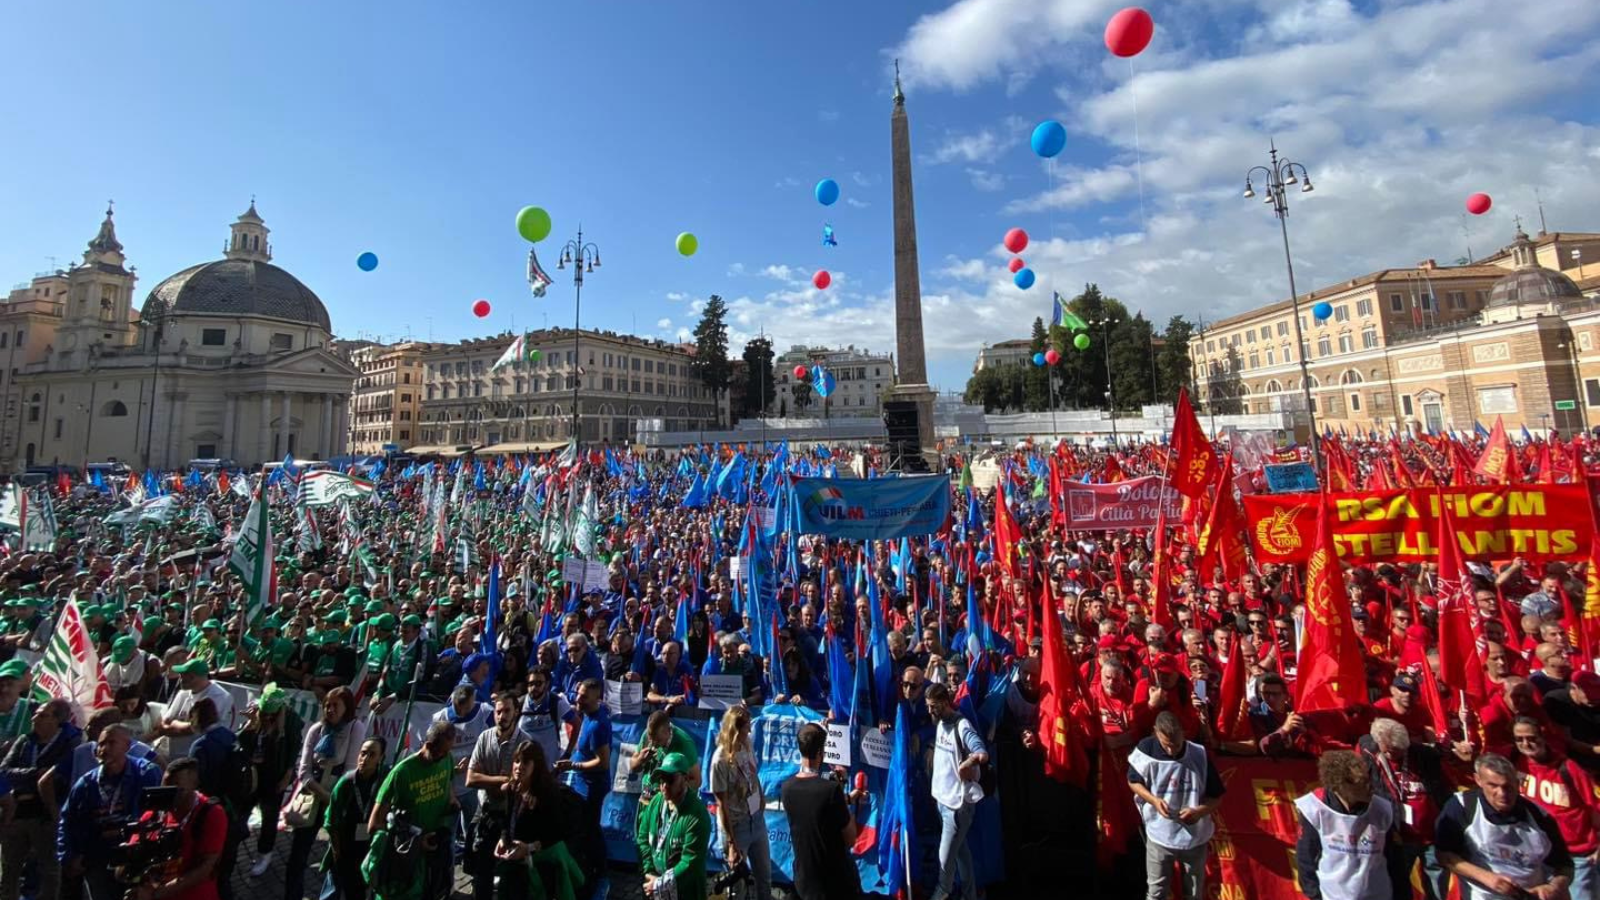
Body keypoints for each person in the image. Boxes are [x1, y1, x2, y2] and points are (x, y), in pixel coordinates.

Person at [1436, 752, 1574, 900]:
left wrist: (1554, 887)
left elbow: (1565, 866)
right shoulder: (1462, 807)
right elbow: (1445, 856)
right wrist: (1488, 878)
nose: (1502, 793)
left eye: (1508, 786)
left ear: (1518, 783)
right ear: (1478, 780)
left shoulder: (1538, 816)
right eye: (1493, 786)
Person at [57, 723, 164, 900]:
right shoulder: (87, 783)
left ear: (127, 746)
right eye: (101, 744)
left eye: (111, 743)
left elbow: (156, 813)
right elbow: (67, 820)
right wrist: (69, 855)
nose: (104, 749)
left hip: (135, 853)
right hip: (98, 854)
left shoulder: (146, 773)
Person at [1127, 710, 1226, 900]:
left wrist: (1199, 811)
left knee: (1194, 893)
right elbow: (1133, 781)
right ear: (1156, 733)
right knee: (1156, 892)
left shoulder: (1198, 754)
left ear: (1183, 733)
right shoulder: (1146, 750)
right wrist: (1154, 800)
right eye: (1167, 745)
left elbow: (1217, 797)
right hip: (1159, 835)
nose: (1172, 751)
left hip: (1194, 838)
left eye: (1177, 745)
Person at [284, 687, 364, 900]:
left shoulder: (355, 728)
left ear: (346, 707)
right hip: (314, 796)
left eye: (335, 705)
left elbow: (350, 770)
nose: (330, 709)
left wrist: (334, 801)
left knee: (338, 855)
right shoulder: (316, 730)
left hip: (339, 798)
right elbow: (304, 770)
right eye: (327, 705)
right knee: (297, 856)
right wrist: (323, 795)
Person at [1294, 749, 1406, 900]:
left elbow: (1396, 862)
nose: (1369, 787)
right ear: (1339, 786)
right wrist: (1315, 896)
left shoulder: (1382, 809)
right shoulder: (1315, 809)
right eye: (1362, 784)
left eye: (1368, 780)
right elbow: (1305, 860)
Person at [367, 721, 458, 900]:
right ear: (428, 746)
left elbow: (448, 787)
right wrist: (413, 843)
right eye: (441, 752)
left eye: (448, 751)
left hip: (433, 854)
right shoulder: (402, 772)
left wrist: (452, 802)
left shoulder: (447, 759)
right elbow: (375, 824)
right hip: (406, 860)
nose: (446, 756)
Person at [1511, 717, 1600, 899]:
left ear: (1543, 736)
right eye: (1519, 739)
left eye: (1531, 738)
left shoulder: (1568, 768)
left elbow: (1596, 805)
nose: (1526, 744)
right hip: (1536, 856)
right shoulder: (1515, 764)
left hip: (1576, 855)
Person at [0, 698, 78, 900]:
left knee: (49, 870)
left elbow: (59, 778)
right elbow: (5, 772)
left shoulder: (70, 743)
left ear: (58, 720)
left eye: (43, 715)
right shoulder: (25, 741)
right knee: (10, 869)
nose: (34, 718)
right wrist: (36, 774)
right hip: (18, 811)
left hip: (46, 813)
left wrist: (31, 778)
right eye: (35, 714)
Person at [781, 722, 866, 900]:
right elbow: (850, 839)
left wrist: (845, 797)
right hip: (833, 884)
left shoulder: (787, 788)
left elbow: (815, 809)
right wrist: (847, 802)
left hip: (804, 881)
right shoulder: (831, 790)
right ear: (821, 752)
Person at [126, 757, 230, 900]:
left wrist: (156, 894)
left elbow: (206, 868)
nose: (168, 794)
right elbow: (130, 858)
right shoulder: (154, 814)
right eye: (165, 786)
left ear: (194, 786)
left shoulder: (211, 814)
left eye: (176, 788)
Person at [494, 741, 587, 900]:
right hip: (515, 861)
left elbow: (556, 833)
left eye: (525, 762)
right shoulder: (512, 788)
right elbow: (507, 819)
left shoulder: (546, 794)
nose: (519, 767)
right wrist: (504, 839)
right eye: (517, 761)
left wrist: (528, 848)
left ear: (536, 765)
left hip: (540, 865)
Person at [924, 682, 987, 900]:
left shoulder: (961, 725)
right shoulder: (940, 723)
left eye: (933, 706)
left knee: (945, 867)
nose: (930, 711)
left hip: (957, 807)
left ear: (944, 703)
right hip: (942, 802)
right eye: (928, 706)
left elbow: (980, 750)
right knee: (961, 854)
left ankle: (941, 894)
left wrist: (970, 761)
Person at [464, 691, 530, 900]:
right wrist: (501, 780)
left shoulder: (525, 743)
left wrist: (486, 778)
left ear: (516, 712)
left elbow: (525, 784)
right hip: (486, 811)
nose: (502, 716)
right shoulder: (485, 737)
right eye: (498, 712)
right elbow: (471, 779)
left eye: (507, 711)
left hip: (512, 816)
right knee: (480, 872)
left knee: (511, 876)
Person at [239, 684, 304, 880]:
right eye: (264, 713)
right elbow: (240, 742)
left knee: (269, 815)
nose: (267, 717)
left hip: (274, 774)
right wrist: (249, 725)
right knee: (242, 809)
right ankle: (236, 841)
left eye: (271, 714)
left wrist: (287, 776)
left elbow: (293, 749)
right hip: (253, 773)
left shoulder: (290, 720)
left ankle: (264, 853)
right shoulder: (256, 714)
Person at [709, 705, 771, 900]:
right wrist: (731, 843)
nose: (750, 730)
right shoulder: (720, 761)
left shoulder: (747, 744)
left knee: (765, 878)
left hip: (756, 819)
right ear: (735, 729)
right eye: (746, 727)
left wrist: (760, 796)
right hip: (736, 828)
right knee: (737, 888)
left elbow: (753, 772)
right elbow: (721, 804)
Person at [429, 684, 493, 872]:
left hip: (473, 787)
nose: (464, 712)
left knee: (473, 832)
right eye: (460, 708)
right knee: (447, 836)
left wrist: (475, 760)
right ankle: (447, 876)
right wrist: (451, 768)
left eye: (467, 707)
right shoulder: (440, 718)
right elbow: (431, 751)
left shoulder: (484, 712)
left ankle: (472, 869)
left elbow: (494, 740)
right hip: (448, 788)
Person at [633, 752, 710, 900]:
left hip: (685, 892)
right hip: (655, 886)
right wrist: (649, 871)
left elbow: (690, 863)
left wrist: (660, 884)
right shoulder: (656, 802)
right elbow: (642, 838)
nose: (664, 786)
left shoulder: (697, 815)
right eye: (661, 779)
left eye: (670, 779)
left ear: (685, 779)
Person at [322, 737, 387, 900]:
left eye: (372, 755)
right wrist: (336, 851)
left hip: (369, 847)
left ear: (381, 758)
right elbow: (331, 820)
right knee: (336, 889)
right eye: (363, 753)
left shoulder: (384, 781)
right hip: (345, 846)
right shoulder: (346, 782)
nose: (365, 758)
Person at [152, 659, 234, 758]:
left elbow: (194, 728)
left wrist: (174, 724)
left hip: (201, 756)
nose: (180, 678)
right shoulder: (183, 693)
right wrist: (174, 727)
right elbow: (164, 723)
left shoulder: (219, 696)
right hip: (174, 754)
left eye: (184, 675)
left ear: (196, 676)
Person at [629, 711, 699, 805]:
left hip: (668, 805)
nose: (653, 744)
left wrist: (671, 790)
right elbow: (633, 767)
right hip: (646, 801)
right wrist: (640, 760)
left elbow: (696, 780)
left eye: (658, 740)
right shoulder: (647, 734)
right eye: (651, 739)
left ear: (668, 731)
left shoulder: (684, 744)